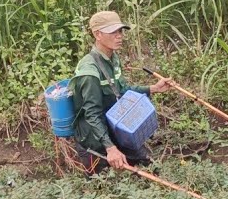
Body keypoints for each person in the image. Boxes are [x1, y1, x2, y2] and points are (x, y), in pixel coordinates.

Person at [70, 11, 176, 173]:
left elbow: (122, 91)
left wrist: (153, 88)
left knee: (148, 165)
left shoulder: (113, 58)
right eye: (113, 32)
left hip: (114, 127)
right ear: (97, 34)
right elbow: (92, 114)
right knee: (101, 185)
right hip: (94, 139)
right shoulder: (89, 71)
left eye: (120, 31)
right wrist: (110, 148)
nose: (119, 36)